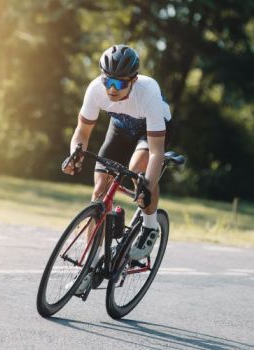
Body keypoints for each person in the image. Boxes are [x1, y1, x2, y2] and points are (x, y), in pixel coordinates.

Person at [63, 44, 172, 294]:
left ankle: (149, 226)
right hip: (121, 127)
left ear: (133, 81)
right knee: (99, 189)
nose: (112, 89)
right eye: (108, 81)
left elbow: (156, 151)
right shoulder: (95, 90)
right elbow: (82, 132)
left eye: (120, 84)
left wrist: (146, 183)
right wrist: (74, 154)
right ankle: (88, 268)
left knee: (139, 171)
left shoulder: (149, 92)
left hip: (151, 129)